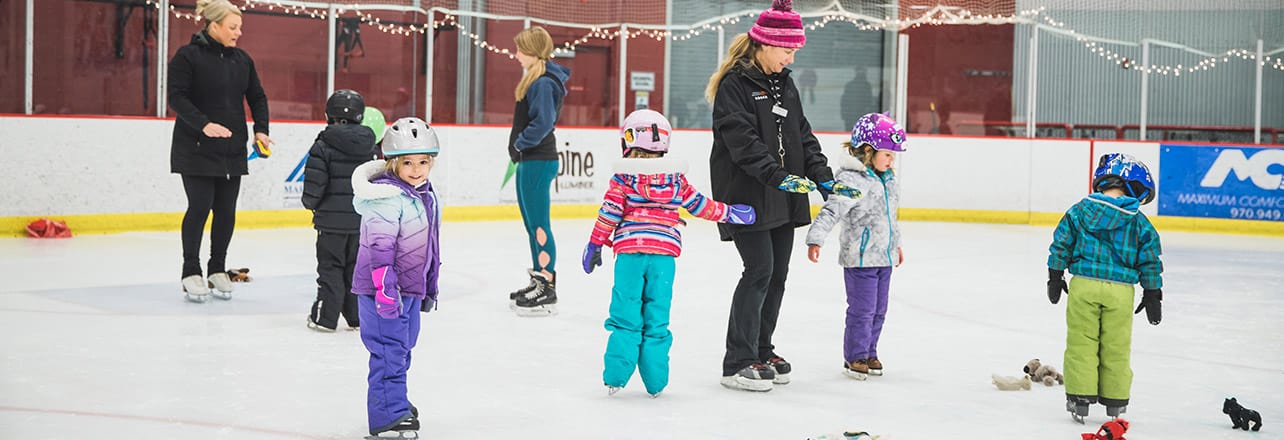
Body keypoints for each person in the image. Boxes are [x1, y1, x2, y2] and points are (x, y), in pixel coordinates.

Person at [704, 0, 862, 392]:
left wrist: (823, 179)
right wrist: (778, 176)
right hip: (747, 197)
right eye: (787, 50)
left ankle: (760, 348)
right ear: (764, 44)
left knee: (776, 276)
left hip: (784, 196)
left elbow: (802, 137)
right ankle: (737, 361)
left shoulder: (785, 84)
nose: (791, 57)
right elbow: (742, 143)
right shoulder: (734, 86)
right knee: (758, 271)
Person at [582, 110, 757, 397]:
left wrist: (595, 243)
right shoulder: (675, 181)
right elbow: (702, 206)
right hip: (663, 259)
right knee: (657, 317)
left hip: (630, 256)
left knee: (626, 315)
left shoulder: (623, 179)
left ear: (627, 141)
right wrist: (732, 213)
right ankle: (655, 381)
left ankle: (615, 376)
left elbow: (609, 214)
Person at [168, 0, 272, 302]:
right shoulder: (188, 57)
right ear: (213, 25)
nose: (238, 33)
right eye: (232, 27)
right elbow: (177, 97)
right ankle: (191, 271)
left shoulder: (242, 60)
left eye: (240, 27)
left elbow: (257, 96)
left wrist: (261, 130)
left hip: (232, 149)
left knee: (226, 212)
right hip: (196, 148)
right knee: (200, 207)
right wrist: (203, 124)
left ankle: (217, 269)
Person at [1047, 153, 1164, 422]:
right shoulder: (1139, 222)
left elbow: (1061, 243)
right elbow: (1150, 259)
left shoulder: (1079, 211)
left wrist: (1055, 275)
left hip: (1084, 286)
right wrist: (1152, 292)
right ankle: (1115, 402)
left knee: (1081, 343)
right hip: (1121, 292)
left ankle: (1080, 399)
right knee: (1116, 346)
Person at [349, 117, 442, 438]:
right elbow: (379, 245)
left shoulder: (424, 195)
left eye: (423, 162)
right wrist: (384, 288)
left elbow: (430, 246)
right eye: (408, 163)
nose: (417, 169)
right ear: (392, 163)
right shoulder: (386, 197)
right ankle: (387, 413)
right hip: (383, 290)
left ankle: (394, 400)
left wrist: (429, 287)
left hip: (410, 290)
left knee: (403, 347)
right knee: (388, 348)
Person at [804, 113, 907, 380]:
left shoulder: (888, 179)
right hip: (859, 258)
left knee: (879, 310)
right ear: (868, 150)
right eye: (887, 154)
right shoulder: (851, 180)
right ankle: (856, 356)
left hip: (883, 257)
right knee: (862, 310)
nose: (891, 159)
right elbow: (831, 211)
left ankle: (870, 351)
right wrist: (816, 237)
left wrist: (896, 246)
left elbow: (890, 218)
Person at [506, 26, 572, 317]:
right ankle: (538, 279)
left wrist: (521, 143)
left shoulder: (544, 83)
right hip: (529, 159)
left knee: (540, 224)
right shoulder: (534, 79)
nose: (516, 53)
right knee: (532, 224)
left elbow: (543, 122)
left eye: (520, 48)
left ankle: (547, 284)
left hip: (538, 159)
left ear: (533, 51)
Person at [302, 89, 379, 332]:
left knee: (330, 268)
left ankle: (325, 318)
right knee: (355, 269)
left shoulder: (323, 144)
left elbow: (315, 185)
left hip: (330, 224)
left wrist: (311, 204)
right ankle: (356, 318)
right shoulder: (370, 145)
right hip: (360, 222)